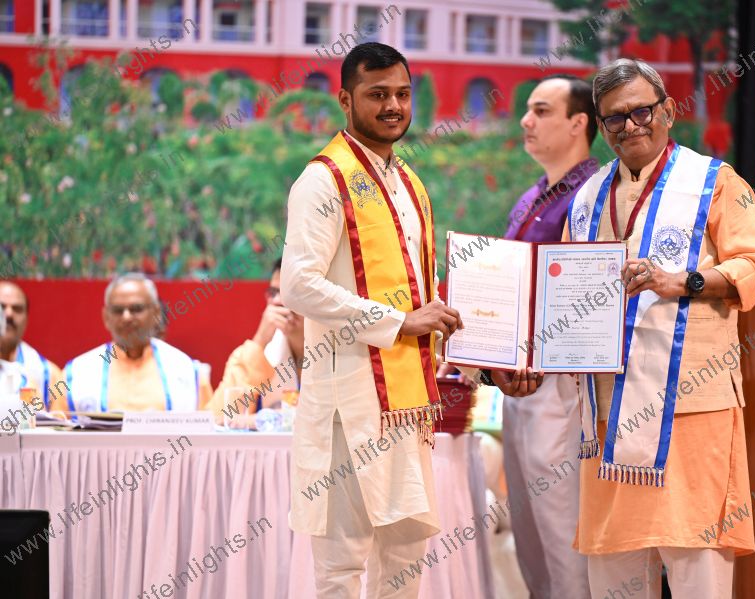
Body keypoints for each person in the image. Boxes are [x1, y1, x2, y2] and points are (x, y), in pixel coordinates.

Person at [564, 59, 755, 597]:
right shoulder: (587, 199)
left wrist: (684, 281)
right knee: (614, 569)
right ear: (601, 126)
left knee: (696, 562)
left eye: (642, 111)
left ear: (669, 111)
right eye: (615, 118)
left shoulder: (715, 181)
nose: (631, 125)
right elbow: (563, 293)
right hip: (608, 411)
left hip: (692, 404)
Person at [280, 42, 463, 598]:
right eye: (377, 94)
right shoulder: (322, 180)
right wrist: (398, 322)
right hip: (349, 403)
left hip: (407, 406)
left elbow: (425, 295)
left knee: (405, 561)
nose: (393, 106)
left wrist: (467, 350)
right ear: (345, 100)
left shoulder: (408, 181)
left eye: (402, 94)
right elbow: (298, 284)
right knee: (342, 566)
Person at [482, 74, 598, 599]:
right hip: (518, 382)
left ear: (578, 123)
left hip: (561, 383)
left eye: (542, 110)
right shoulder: (532, 197)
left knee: (561, 531)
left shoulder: (592, 196)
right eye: (527, 110)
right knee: (529, 536)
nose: (526, 121)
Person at [60, 273, 212, 412]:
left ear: (157, 313)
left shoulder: (188, 371)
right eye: (118, 310)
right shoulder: (77, 372)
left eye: (136, 309)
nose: (126, 317)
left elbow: (208, 429)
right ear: (106, 317)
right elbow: (56, 427)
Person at [207, 259, 304, 415]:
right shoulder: (258, 353)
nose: (277, 301)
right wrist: (260, 341)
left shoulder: (337, 351)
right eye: (273, 292)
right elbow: (220, 417)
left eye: (289, 293)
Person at [0, 281, 67, 410]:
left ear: (26, 320)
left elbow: (59, 420)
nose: (9, 314)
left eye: (17, 309)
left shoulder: (50, 375)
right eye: (1, 307)